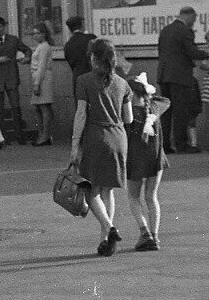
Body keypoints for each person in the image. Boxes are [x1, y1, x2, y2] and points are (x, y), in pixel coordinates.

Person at [70, 38, 133, 256]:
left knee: (91, 192)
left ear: (93, 58)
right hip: (118, 138)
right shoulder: (123, 83)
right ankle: (105, 241)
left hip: (96, 138)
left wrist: (74, 144)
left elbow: (81, 114)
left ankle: (109, 228)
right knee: (107, 190)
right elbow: (129, 119)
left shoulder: (84, 80)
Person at [125, 72, 170, 251]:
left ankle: (144, 232)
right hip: (156, 158)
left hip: (135, 159)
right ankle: (155, 236)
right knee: (152, 197)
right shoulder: (154, 107)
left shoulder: (129, 115)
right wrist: (148, 93)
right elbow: (165, 100)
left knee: (133, 196)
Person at [156, 7, 209, 153]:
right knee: (181, 111)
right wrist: (207, 54)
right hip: (179, 76)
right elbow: (191, 51)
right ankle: (181, 144)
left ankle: (164, 145)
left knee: (166, 112)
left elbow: (164, 52)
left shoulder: (165, 30)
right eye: (193, 19)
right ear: (188, 16)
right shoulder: (185, 31)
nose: (193, 22)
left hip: (164, 75)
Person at [0, 16, 32, 145]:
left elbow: (27, 50)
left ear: (4, 27)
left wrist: (26, 58)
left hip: (11, 77)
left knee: (15, 107)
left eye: (1, 26)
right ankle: (2, 137)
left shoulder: (13, 40)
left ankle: (19, 136)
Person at [29, 22, 55, 146]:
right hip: (39, 78)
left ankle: (45, 135)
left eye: (38, 33)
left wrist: (37, 84)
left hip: (42, 79)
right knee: (38, 107)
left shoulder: (44, 47)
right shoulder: (40, 46)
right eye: (34, 33)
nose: (35, 35)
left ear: (44, 34)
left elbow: (42, 66)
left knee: (44, 107)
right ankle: (43, 134)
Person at [64, 16, 97, 107]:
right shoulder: (90, 38)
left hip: (77, 76)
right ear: (82, 25)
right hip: (92, 75)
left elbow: (70, 61)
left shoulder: (68, 44)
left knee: (80, 107)